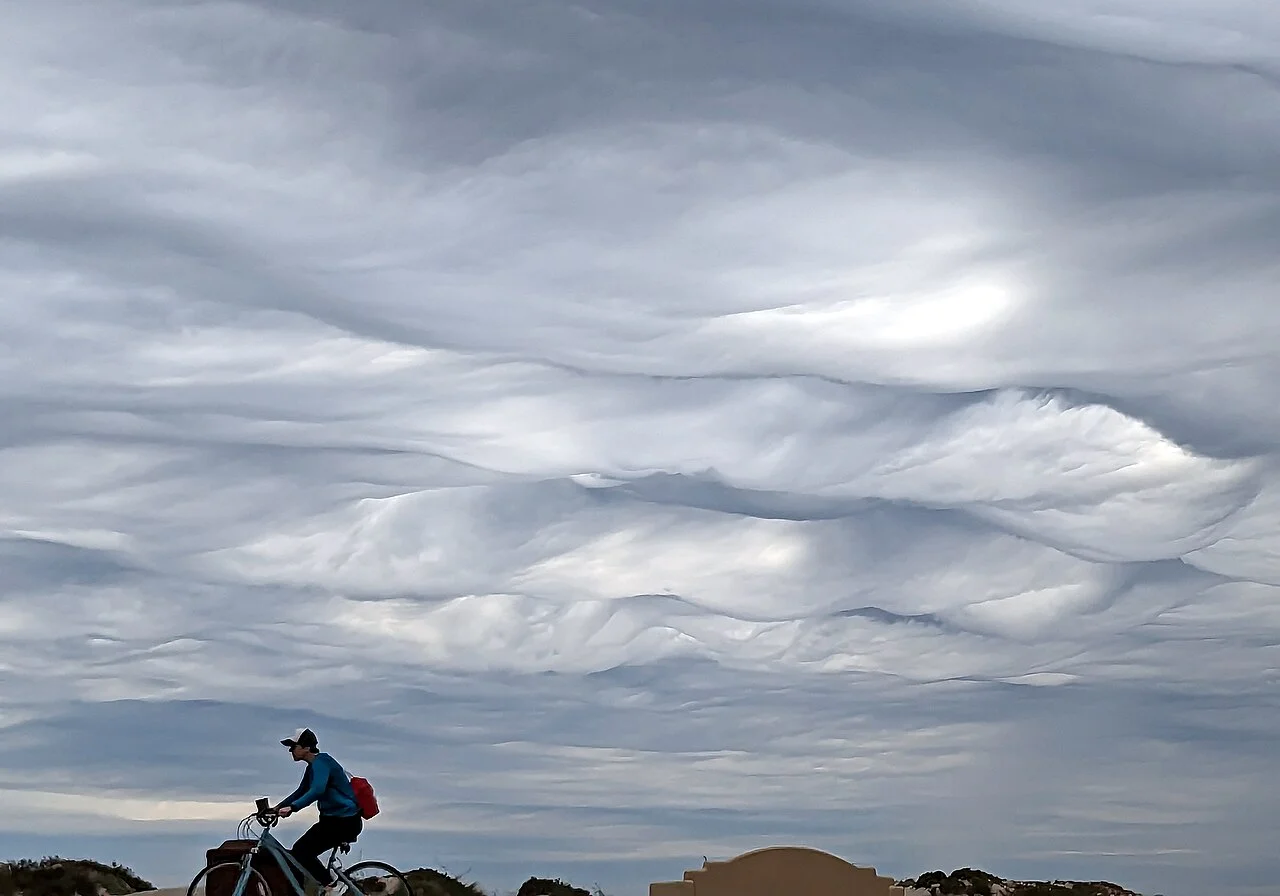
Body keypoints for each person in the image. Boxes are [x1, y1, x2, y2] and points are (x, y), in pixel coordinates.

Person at [274, 727, 362, 895]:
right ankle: (327, 884)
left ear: (306, 748)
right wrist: (277, 808)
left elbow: (317, 790)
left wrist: (293, 808)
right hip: (334, 820)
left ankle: (333, 886)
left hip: (343, 821)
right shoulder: (314, 766)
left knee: (301, 851)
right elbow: (301, 792)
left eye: (293, 746)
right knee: (301, 852)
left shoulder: (321, 763)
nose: (291, 750)